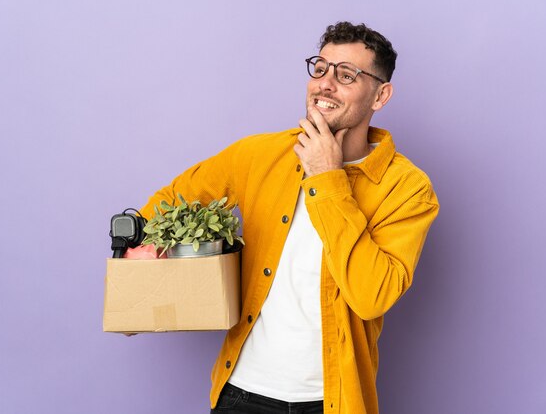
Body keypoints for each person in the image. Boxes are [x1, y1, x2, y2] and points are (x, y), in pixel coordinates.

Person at [140, 21, 439, 414]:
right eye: (320, 68)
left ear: (380, 95)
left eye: (346, 75)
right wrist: (142, 270)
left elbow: (372, 297)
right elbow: (164, 206)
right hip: (240, 395)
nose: (325, 84)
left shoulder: (407, 188)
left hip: (331, 402)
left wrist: (328, 178)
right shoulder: (259, 155)